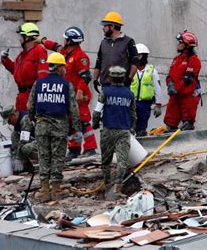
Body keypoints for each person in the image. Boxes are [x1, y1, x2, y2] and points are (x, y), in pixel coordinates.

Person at [28, 52, 81, 202]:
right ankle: (56, 190)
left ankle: (44, 190)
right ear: (59, 68)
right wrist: (76, 128)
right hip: (59, 126)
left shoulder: (38, 83)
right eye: (64, 67)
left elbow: (30, 106)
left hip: (42, 126)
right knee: (58, 158)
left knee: (44, 157)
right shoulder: (66, 85)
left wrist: (34, 121)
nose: (65, 70)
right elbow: (73, 109)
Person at [42, 27, 98, 160]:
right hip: (68, 94)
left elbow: (85, 77)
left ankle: (90, 148)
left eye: (65, 38)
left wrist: (79, 91)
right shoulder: (64, 52)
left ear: (69, 40)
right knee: (70, 122)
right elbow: (55, 46)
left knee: (83, 121)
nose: (63, 40)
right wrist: (43, 41)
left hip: (79, 94)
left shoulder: (81, 56)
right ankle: (74, 148)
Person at [92, 66, 136, 199]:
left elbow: (97, 111)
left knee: (106, 161)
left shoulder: (105, 92)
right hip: (123, 131)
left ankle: (107, 186)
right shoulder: (129, 94)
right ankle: (117, 188)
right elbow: (133, 114)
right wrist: (132, 128)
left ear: (110, 78)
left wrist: (94, 123)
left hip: (108, 131)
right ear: (123, 78)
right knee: (122, 161)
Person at [1, 22, 49, 111]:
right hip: (21, 98)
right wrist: (5, 60)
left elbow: (43, 75)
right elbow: (15, 70)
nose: (19, 39)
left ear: (28, 37)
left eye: (21, 36)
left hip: (32, 96)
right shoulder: (22, 55)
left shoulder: (39, 51)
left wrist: (39, 98)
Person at [164, 31, 201, 131]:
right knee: (170, 123)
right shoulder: (177, 59)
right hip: (175, 96)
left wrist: (175, 89)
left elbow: (188, 79)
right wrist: (170, 85)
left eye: (180, 42)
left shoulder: (193, 60)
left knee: (187, 125)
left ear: (187, 45)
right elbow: (169, 76)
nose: (178, 44)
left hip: (187, 98)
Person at [93, 12, 139, 92]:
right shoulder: (103, 42)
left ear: (112, 26)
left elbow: (135, 61)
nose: (103, 28)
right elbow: (99, 62)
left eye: (105, 26)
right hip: (105, 85)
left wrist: (129, 78)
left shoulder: (128, 42)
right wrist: (95, 79)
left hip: (122, 86)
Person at [130, 43, 163, 136]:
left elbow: (157, 87)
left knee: (141, 126)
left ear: (144, 56)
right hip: (131, 102)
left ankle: (142, 140)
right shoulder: (131, 69)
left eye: (139, 55)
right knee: (130, 125)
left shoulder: (151, 71)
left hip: (145, 104)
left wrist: (158, 104)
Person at [0, 105, 37, 172]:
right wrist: (14, 161)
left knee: (25, 148)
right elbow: (15, 147)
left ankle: (49, 163)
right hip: (35, 141)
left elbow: (23, 141)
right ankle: (26, 168)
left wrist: (18, 158)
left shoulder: (26, 119)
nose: (9, 123)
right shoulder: (17, 127)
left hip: (45, 143)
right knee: (14, 135)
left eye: (9, 120)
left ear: (13, 115)